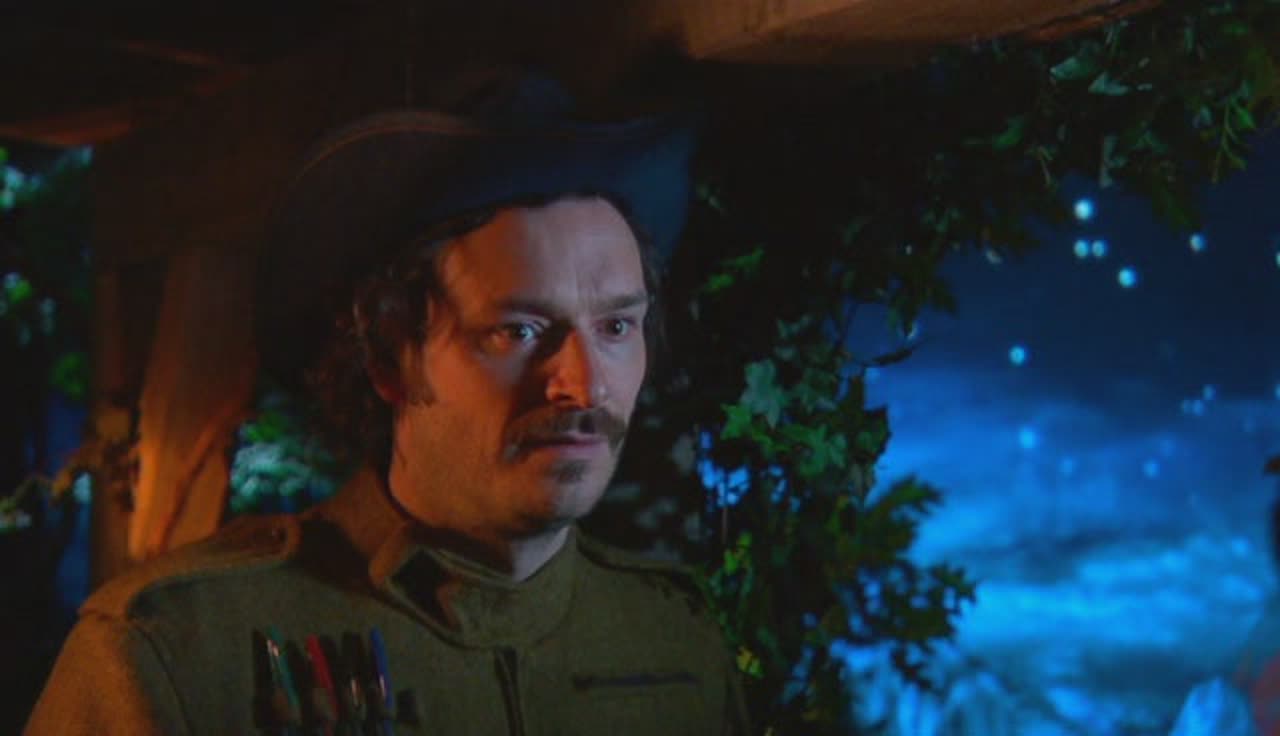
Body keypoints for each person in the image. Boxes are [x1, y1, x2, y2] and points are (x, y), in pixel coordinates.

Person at [26, 70, 750, 735]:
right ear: (387, 355)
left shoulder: (672, 638)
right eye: (519, 331)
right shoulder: (178, 650)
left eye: (616, 327)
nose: (584, 385)